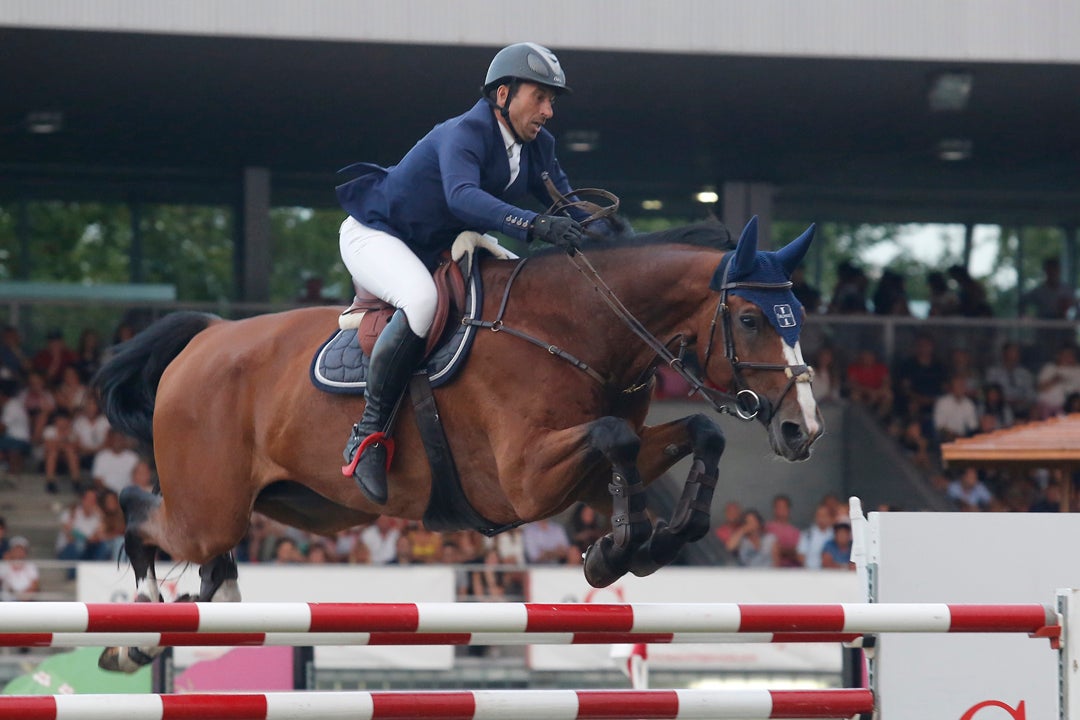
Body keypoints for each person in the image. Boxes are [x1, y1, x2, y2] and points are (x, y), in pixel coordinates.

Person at [335, 43, 597, 505]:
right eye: (540, 97)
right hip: (377, 234)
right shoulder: (464, 132)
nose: (548, 111)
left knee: (526, 286)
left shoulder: (539, 146)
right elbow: (462, 198)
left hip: (438, 244)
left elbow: (566, 202)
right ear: (503, 94)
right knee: (421, 302)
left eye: (552, 101)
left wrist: (612, 236)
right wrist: (532, 224)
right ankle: (369, 432)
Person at [984, 342, 1036, 420]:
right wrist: (1004, 400)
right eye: (1011, 352)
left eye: (1016, 352)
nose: (1013, 355)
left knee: (1035, 409)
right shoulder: (993, 372)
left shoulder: (1025, 374)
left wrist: (1021, 401)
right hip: (1000, 407)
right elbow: (989, 393)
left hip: (1021, 408)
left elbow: (1031, 395)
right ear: (1004, 354)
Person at [90, 428, 140, 494]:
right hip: (107, 495)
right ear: (110, 440)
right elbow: (97, 480)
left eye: (120, 439)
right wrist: (111, 495)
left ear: (124, 440)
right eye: (115, 439)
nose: (117, 441)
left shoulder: (133, 457)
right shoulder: (101, 456)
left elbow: (138, 479)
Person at [933, 375, 980, 442]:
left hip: (963, 438)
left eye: (962, 386)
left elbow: (973, 426)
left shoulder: (969, 404)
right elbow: (940, 426)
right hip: (945, 437)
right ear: (952, 387)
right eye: (957, 385)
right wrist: (955, 436)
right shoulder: (942, 402)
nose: (960, 388)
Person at [0, 381, 32, 475]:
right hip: (11, 438)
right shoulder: (10, 405)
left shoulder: (12, 406)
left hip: (18, 440)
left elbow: (2, 428)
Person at [765, 494, 801, 568]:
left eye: (784, 507)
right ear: (774, 509)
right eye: (779, 507)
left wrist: (782, 550)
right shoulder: (767, 527)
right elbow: (768, 550)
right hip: (773, 569)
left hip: (793, 569)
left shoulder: (796, 532)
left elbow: (798, 553)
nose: (782, 509)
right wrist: (787, 551)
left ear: (789, 509)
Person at [0, 536, 41, 601]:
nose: (18, 552)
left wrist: (23, 599)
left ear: (25, 552)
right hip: (6, 602)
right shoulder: (3, 565)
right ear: (11, 551)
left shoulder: (31, 565)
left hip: (27, 601)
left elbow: (35, 585)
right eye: (16, 549)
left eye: (21, 550)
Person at [796, 503, 835, 570]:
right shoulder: (808, 534)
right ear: (815, 517)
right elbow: (801, 555)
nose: (822, 518)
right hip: (810, 572)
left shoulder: (834, 534)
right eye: (819, 515)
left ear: (830, 517)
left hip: (830, 573)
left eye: (824, 515)